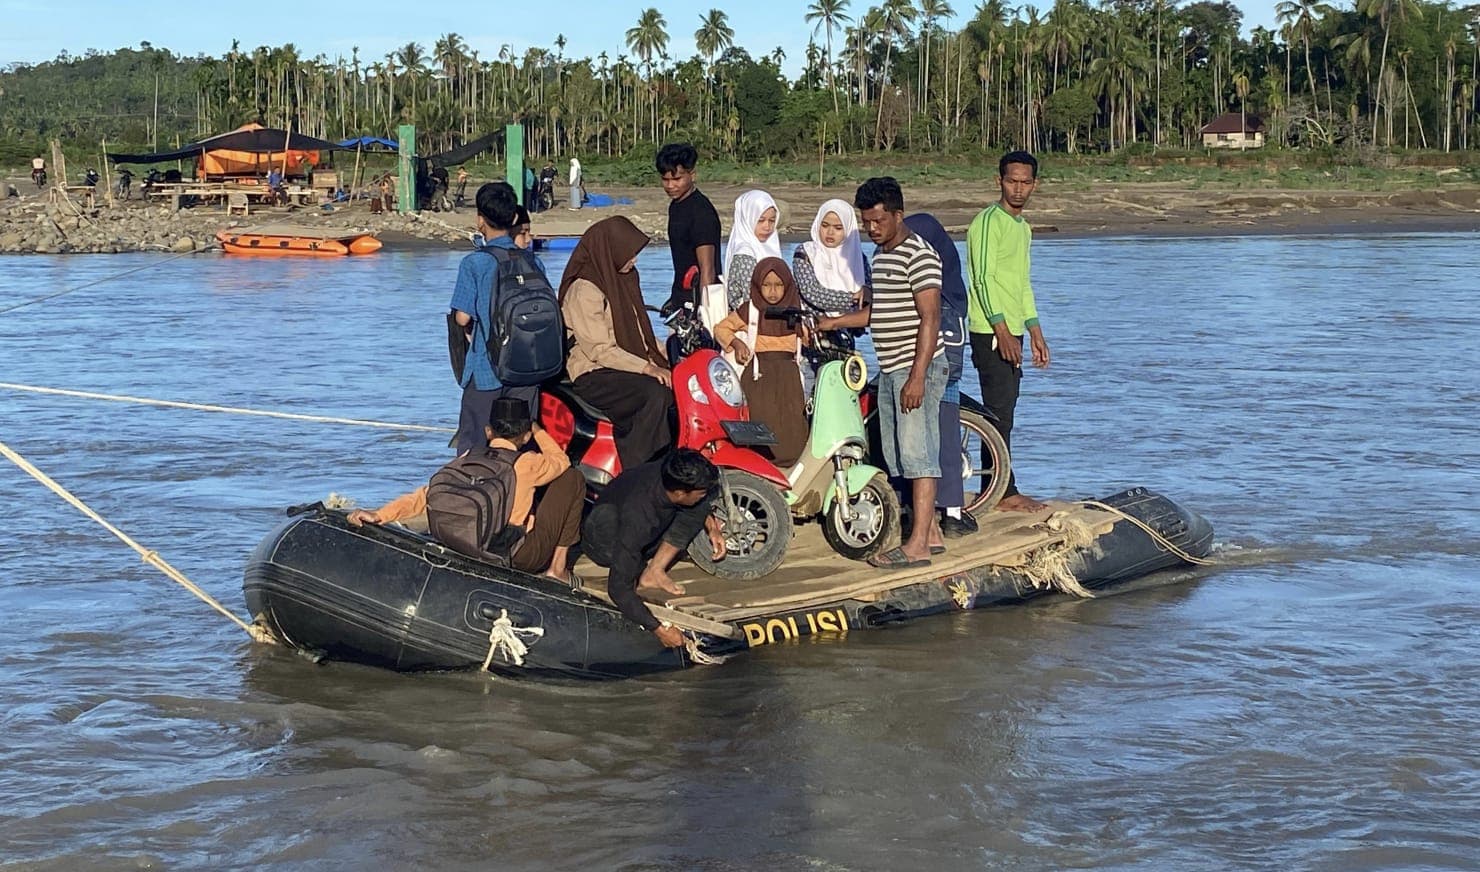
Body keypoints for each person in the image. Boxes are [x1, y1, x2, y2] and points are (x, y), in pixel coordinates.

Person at [832, 177, 947, 569]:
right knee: (898, 453)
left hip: (917, 368)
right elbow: (878, 314)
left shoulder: (920, 255)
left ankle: (917, 546)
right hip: (891, 365)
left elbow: (930, 319)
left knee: (918, 454)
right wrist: (830, 324)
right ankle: (930, 532)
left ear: (899, 214)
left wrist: (917, 376)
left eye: (878, 221)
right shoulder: (882, 256)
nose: (872, 229)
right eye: (866, 222)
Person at [347, 398, 585, 582]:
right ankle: (558, 569)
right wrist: (538, 431)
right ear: (524, 437)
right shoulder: (528, 463)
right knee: (572, 478)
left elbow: (424, 495)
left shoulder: (468, 456)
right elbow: (561, 461)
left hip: (461, 541)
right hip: (513, 555)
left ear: (488, 432)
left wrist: (380, 514)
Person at [966, 151, 1051, 513]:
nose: (1018, 188)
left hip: (1012, 328)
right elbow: (982, 278)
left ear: (1034, 184)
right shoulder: (987, 222)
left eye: (1025, 182)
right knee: (998, 409)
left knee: (1006, 410)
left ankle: (999, 485)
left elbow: (1023, 283)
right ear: (999, 181)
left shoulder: (1023, 227)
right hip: (989, 328)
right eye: (1012, 181)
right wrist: (1000, 330)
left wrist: (1034, 330)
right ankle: (1002, 491)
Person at [558, 216, 675, 472]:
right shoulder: (585, 289)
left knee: (677, 386)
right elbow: (600, 349)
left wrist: (668, 355)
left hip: (622, 363)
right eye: (629, 254)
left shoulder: (623, 278)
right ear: (610, 251)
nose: (634, 260)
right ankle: (639, 469)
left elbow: (638, 331)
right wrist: (648, 368)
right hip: (593, 371)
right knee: (654, 393)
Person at [581, 449, 725, 647]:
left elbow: (698, 504)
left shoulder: (673, 469)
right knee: (628, 573)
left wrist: (712, 528)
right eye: (701, 493)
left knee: (696, 510)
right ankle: (644, 572)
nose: (704, 496)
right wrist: (658, 629)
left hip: (645, 521)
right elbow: (617, 590)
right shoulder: (639, 516)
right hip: (604, 540)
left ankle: (655, 570)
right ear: (680, 493)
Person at [449, 182, 545, 454]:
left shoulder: (475, 263)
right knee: (519, 445)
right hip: (528, 369)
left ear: (480, 220)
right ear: (514, 219)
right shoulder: (532, 261)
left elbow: (462, 318)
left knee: (474, 443)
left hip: (486, 369)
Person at [905, 212, 977, 539]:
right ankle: (951, 511)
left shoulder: (924, 290)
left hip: (919, 376)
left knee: (928, 437)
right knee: (943, 434)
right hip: (937, 375)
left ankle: (939, 512)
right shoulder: (950, 292)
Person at [712, 257, 810, 468]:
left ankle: (792, 465)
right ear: (757, 285)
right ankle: (760, 464)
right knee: (761, 418)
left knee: (792, 420)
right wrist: (737, 344)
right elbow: (721, 328)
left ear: (788, 286)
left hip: (789, 377)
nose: (772, 292)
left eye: (778, 285)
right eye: (766, 285)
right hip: (759, 376)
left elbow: (808, 338)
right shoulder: (751, 310)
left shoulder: (794, 310)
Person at [656, 143, 723, 315]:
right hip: (680, 296)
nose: (670, 186)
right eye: (665, 179)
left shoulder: (701, 212)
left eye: (677, 179)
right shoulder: (676, 206)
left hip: (699, 300)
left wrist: (704, 312)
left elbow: (707, 267)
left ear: (692, 175)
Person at [794, 199, 869, 315]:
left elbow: (868, 290)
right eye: (824, 226)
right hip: (814, 326)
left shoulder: (859, 258)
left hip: (852, 327)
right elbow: (811, 292)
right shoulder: (806, 252)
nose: (830, 232)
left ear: (848, 229)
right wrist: (852, 298)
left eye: (838, 228)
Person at [723, 190, 782, 309]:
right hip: (752, 319)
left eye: (772, 221)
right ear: (747, 218)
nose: (767, 227)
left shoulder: (769, 246)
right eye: (760, 220)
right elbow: (751, 296)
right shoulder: (745, 253)